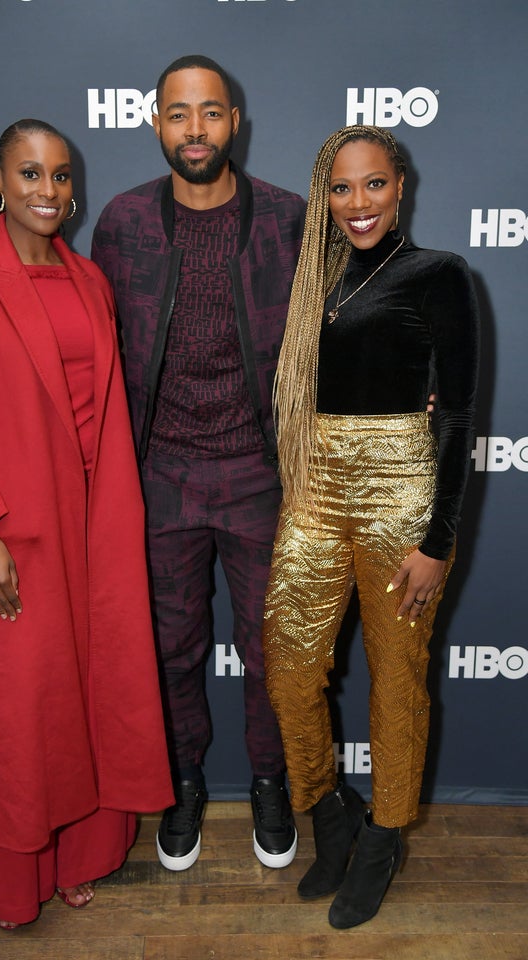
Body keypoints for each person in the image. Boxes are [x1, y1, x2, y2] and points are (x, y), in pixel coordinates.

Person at [0, 119, 173, 929]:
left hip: (98, 523)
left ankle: (84, 856)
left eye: (61, 176)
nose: (48, 191)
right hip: (14, 526)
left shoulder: (90, 280)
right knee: (23, 707)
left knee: (95, 692)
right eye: (30, 173)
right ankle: (12, 879)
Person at [91, 56, 305, 872]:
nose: (195, 130)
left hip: (262, 478)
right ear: (156, 125)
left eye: (210, 113)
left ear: (234, 123)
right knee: (171, 650)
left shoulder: (287, 219)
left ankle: (268, 781)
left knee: (271, 649)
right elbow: (93, 351)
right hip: (161, 480)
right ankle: (181, 781)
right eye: (178, 115)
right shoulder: (123, 223)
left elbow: (333, 333)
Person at [263, 125, 479, 928]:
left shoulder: (439, 275)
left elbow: (455, 415)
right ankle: (329, 815)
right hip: (314, 490)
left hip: (402, 497)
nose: (359, 203)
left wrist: (438, 540)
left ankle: (385, 838)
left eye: (375, 185)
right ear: (325, 194)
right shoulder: (310, 282)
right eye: (343, 188)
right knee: (289, 667)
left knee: (397, 678)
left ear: (401, 187)